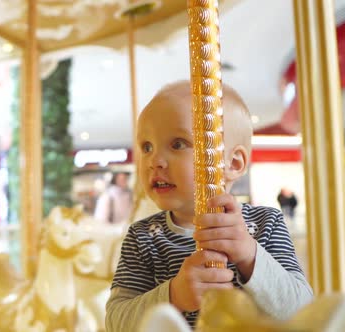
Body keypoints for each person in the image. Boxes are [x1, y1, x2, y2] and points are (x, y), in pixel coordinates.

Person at [105, 81, 313, 331]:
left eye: (178, 144)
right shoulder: (142, 238)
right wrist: (173, 296)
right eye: (146, 147)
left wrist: (249, 254)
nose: (154, 161)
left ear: (234, 164)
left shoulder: (265, 224)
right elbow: (116, 322)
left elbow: (302, 311)